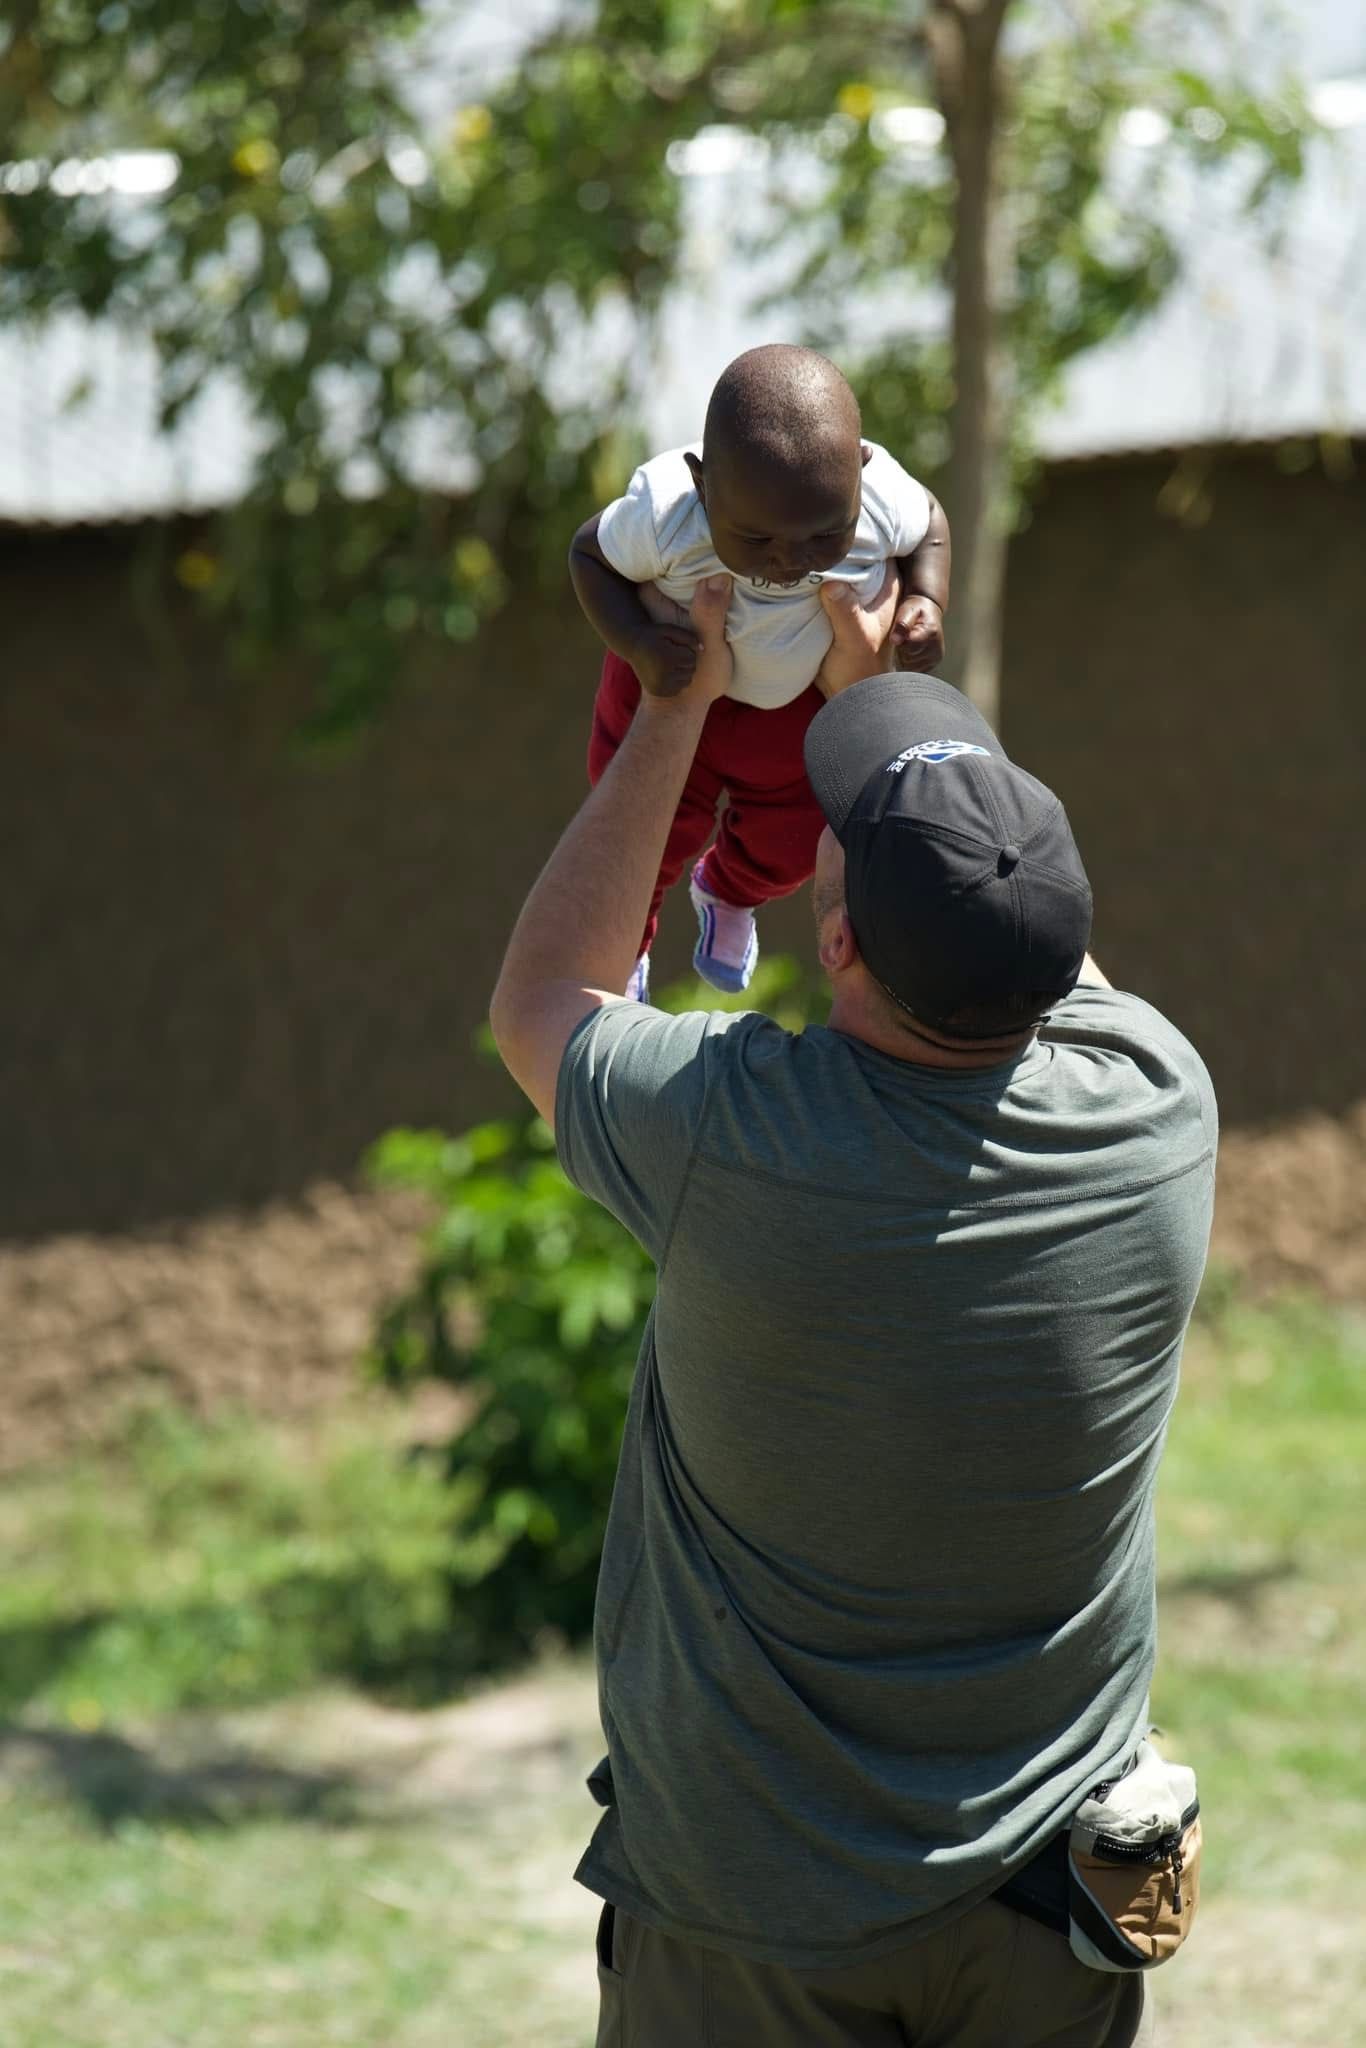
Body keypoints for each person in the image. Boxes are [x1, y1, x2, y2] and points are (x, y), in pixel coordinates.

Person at [489, 580, 1216, 2046]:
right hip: (1047, 1922)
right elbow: (1005, 921)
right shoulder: (1156, 1109)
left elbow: (544, 999)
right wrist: (893, 726)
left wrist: (679, 703)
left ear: (834, 944)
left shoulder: (736, 1139)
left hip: (755, 1928)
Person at [569, 342, 950, 1001]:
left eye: (820, 536)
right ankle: (626, 943)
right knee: (641, 826)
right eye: (756, 539)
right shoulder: (664, 515)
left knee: (801, 832)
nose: (789, 560)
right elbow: (588, 555)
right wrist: (637, 642)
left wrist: (924, 602)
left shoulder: (884, 496)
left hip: (804, 694)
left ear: (861, 474)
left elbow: (931, 528)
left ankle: (730, 893)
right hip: (675, 671)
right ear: (701, 483)